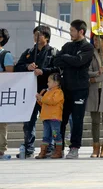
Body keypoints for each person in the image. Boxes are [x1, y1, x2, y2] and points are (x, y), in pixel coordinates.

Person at [14, 25, 58, 158]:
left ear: (47, 37)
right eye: (35, 35)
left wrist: (43, 71)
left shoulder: (53, 52)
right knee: (28, 122)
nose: (36, 37)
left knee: (49, 121)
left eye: (39, 35)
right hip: (30, 92)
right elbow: (17, 67)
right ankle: (28, 148)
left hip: (47, 92)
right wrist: (28, 66)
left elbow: (58, 69)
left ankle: (50, 147)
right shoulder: (29, 52)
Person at [53, 20, 95, 159]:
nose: (70, 33)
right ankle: (59, 147)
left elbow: (80, 62)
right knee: (61, 119)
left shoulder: (88, 47)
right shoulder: (67, 45)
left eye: (72, 30)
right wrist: (68, 59)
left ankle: (75, 147)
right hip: (65, 88)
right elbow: (56, 61)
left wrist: (65, 58)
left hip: (80, 88)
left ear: (80, 31)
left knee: (77, 120)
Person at [34, 73, 64, 159]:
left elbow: (52, 101)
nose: (47, 83)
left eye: (49, 82)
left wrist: (42, 98)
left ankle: (58, 152)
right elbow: (44, 103)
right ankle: (43, 151)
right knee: (46, 135)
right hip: (46, 117)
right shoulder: (47, 92)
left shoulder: (58, 92)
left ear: (56, 83)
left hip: (54, 118)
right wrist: (39, 99)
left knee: (55, 134)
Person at [0, 28, 14, 158]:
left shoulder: (6, 55)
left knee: (1, 122)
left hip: (1, 92)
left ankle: (1, 148)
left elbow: (9, 73)